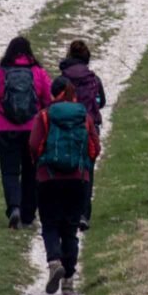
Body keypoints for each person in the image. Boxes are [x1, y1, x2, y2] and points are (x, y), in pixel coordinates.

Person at [29, 77, 101, 295]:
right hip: (78, 179)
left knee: (50, 223)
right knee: (70, 228)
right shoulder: (85, 117)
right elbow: (95, 147)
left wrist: (40, 164)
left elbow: (33, 145)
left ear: (53, 94)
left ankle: (54, 262)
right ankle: (68, 279)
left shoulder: (44, 115)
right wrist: (84, 167)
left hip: (48, 178)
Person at [0, 36, 52, 229]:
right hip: (33, 129)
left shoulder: (0, 72)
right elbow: (49, 99)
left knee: (10, 171)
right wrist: (38, 110)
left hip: (5, 128)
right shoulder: (38, 72)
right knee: (31, 171)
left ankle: (14, 208)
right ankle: (28, 215)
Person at [58, 39, 106, 232]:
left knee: (65, 169)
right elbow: (101, 102)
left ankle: (67, 211)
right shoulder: (93, 79)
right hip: (88, 128)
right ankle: (84, 214)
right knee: (87, 171)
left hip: (65, 129)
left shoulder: (62, 79)